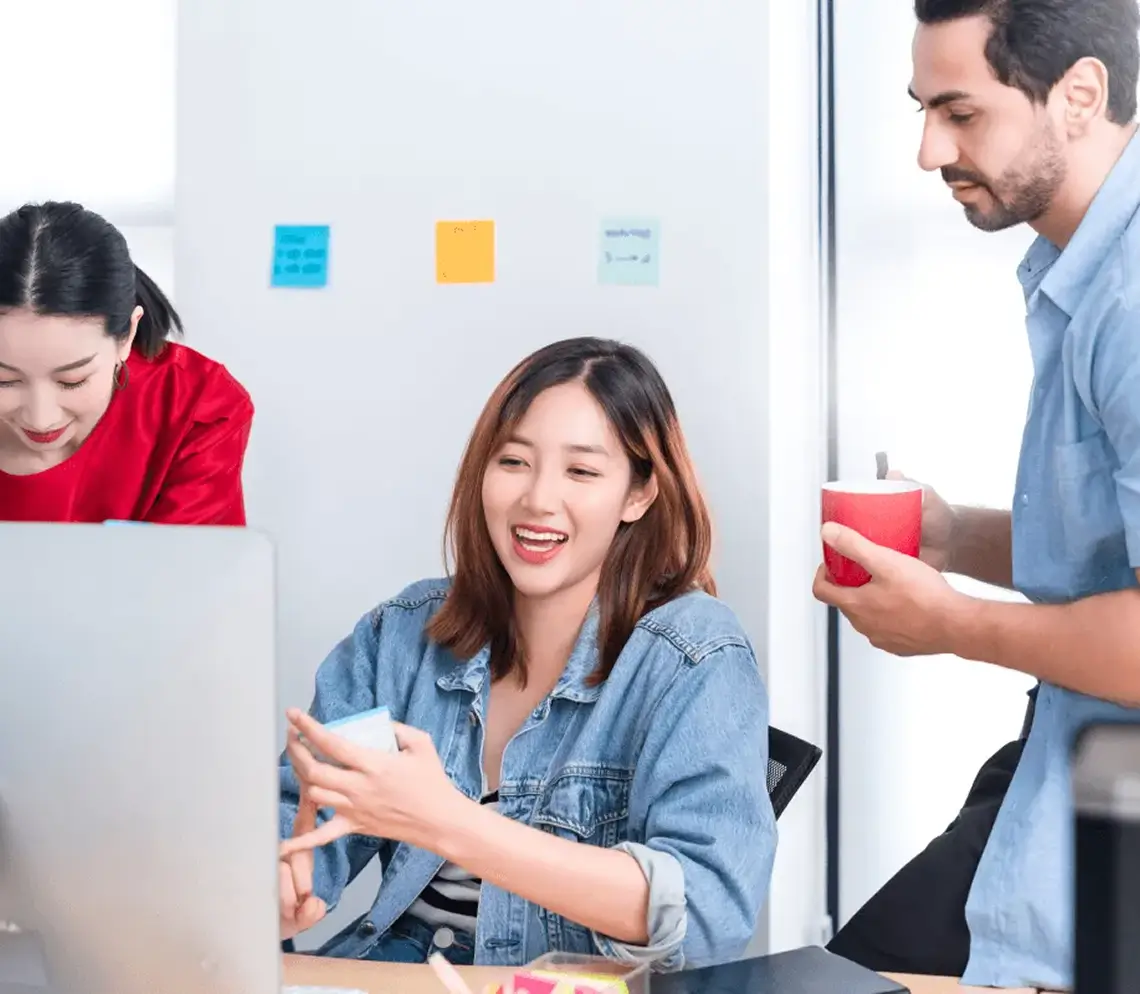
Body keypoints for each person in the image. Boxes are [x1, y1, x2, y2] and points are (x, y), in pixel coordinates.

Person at [814, 0, 1140, 988]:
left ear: (1078, 96)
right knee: (861, 965)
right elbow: (1103, 545)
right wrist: (953, 538)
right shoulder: (1076, 268)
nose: (926, 150)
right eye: (923, 111)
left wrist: (949, 622)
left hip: (1114, 772)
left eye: (960, 114)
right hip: (1068, 751)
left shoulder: (1129, 301)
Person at [277, 337, 776, 971]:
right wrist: (283, 883)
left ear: (638, 494)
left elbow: (706, 915)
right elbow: (305, 818)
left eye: (582, 471)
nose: (538, 499)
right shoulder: (401, 636)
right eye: (514, 462)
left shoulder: (695, 656)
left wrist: (450, 823)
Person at [0, 201, 253, 523]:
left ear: (127, 335)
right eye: (4, 379)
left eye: (72, 380)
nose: (40, 419)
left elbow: (193, 566)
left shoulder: (192, 402)